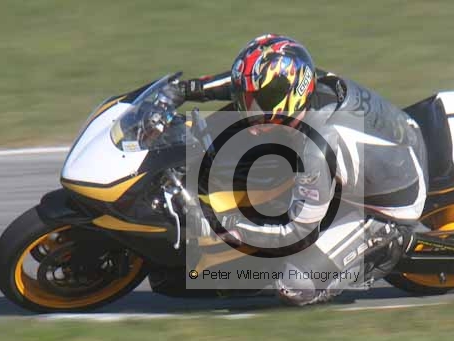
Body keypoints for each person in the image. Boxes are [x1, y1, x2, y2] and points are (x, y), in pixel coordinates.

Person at [175, 34, 428, 305]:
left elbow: (296, 232)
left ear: (287, 95)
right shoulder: (305, 82)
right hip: (390, 148)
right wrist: (189, 89)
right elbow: (244, 82)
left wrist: (230, 229)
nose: (248, 110)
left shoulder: (316, 149)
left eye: (258, 100)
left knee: (294, 284)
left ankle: (386, 244)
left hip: (388, 204)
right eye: (247, 100)